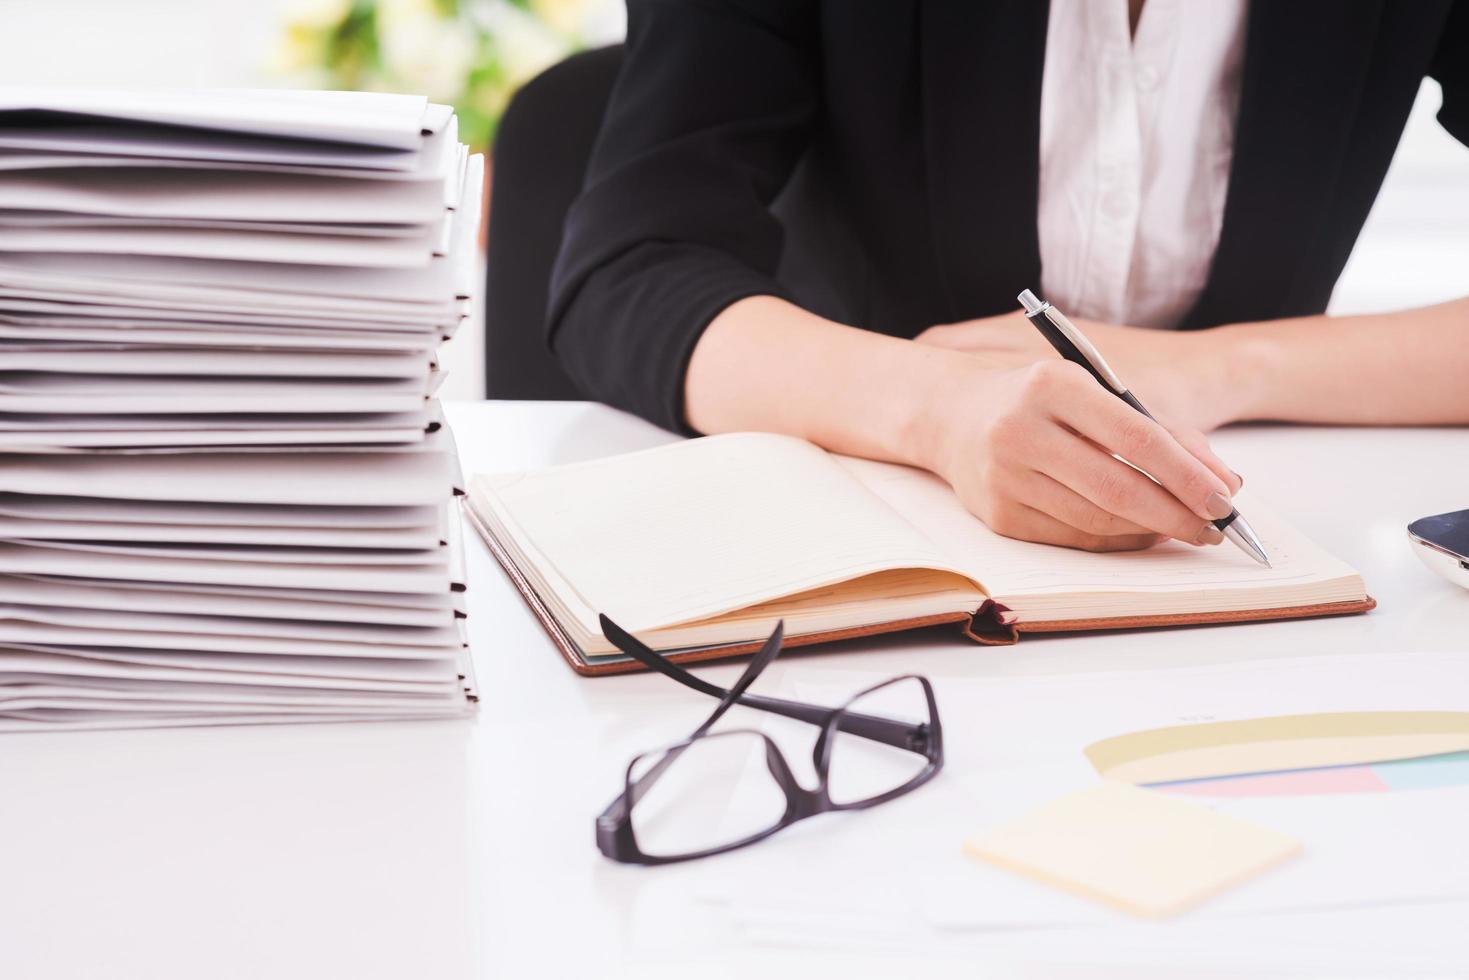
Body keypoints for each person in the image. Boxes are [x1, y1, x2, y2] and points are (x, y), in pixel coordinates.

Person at [547, 0, 1469, 553]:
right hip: (875, 531)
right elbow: (627, 269)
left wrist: (1221, 368)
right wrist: (937, 409)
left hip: (1242, 543)